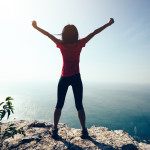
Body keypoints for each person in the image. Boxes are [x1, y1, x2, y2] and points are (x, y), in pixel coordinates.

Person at [32, 18, 114, 139]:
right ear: (76, 34)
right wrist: (108, 23)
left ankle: (55, 129)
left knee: (59, 104)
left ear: (64, 35)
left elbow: (48, 34)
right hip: (76, 77)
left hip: (64, 77)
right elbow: (95, 32)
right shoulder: (80, 43)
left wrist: (36, 27)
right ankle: (84, 130)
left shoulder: (61, 44)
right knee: (79, 105)